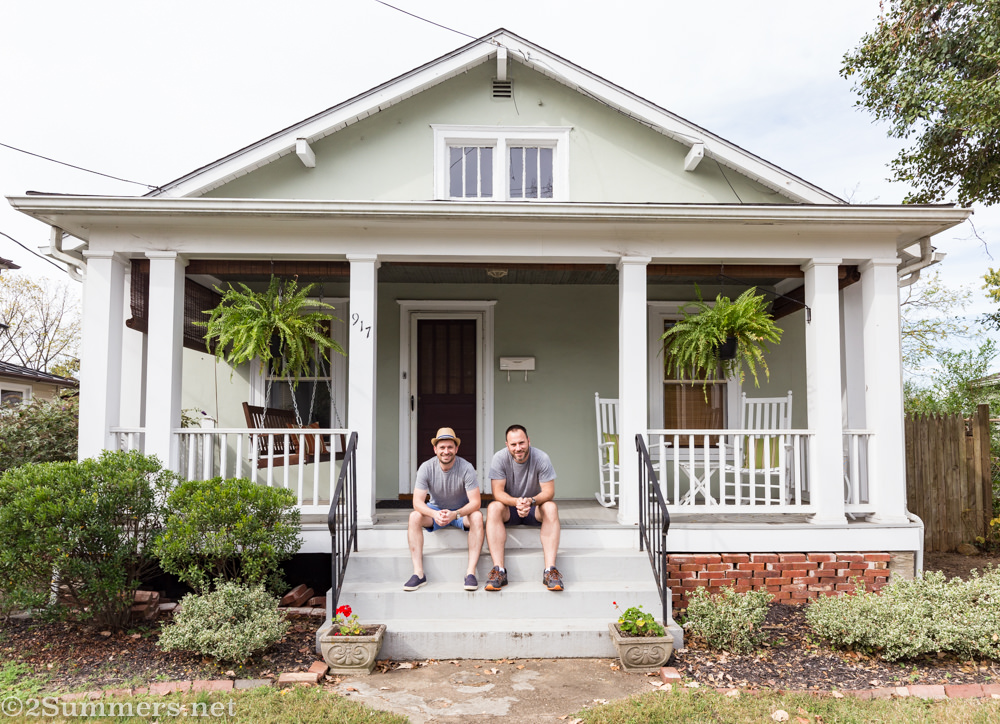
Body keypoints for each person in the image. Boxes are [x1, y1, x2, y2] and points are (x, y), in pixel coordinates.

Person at [404, 427, 485, 592]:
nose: (446, 451)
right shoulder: (426, 467)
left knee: (477, 516)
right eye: (442, 447)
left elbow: (476, 502)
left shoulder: (466, 467)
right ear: (435, 449)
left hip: (460, 512)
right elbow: (417, 502)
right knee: (414, 516)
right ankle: (418, 573)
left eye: (450, 447)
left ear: (456, 449)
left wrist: (456, 514)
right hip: (436, 510)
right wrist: (434, 513)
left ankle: (470, 573)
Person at [484, 424, 563, 592]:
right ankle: (499, 570)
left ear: (528, 441)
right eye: (513, 444)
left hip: (534, 507)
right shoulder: (499, 458)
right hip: (510, 508)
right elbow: (497, 492)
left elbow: (549, 491)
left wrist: (531, 501)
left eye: (521, 443)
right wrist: (516, 502)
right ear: (507, 445)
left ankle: (550, 571)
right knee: (493, 507)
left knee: (551, 507)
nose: (518, 448)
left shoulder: (541, 457)